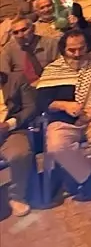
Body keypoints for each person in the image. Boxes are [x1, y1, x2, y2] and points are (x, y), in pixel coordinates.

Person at [36, 29, 91, 197]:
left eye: (81, 48)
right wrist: (64, 105)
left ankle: (74, 173)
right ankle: (90, 178)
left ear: (87, 47)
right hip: (63, 121)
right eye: (71, 50)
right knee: (56, 146)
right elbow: (42, 102)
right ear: (63, 50)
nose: (77, 54)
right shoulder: (52, 70)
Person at [0, 69, 37, 216]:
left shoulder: (15, 79)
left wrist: (9, 124)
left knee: (19, 154)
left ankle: (16, 196)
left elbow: (31, 107)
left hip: (11, 131)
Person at [1, 16, 57, 84]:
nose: (20, 35)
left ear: (33, 28)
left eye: (24, 30)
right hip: (21, 86)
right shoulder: (8, 49)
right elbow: (4, 74)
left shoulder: (50, 44)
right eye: (16, 32)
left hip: (48, 82)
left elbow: (60, 68)